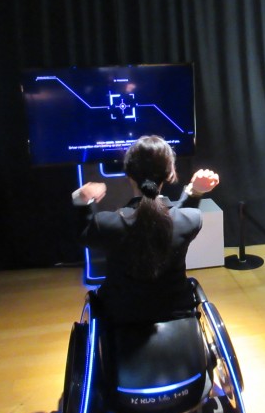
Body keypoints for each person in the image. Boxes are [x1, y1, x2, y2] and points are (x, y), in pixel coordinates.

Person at [74, 135, 219, 324]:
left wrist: (81, 199)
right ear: (170, 174)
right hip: (178, 318)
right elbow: (175, 219)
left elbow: (84, 235)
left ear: (128, 173)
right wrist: (195, 191)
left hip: (119, 319)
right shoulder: (192, 220)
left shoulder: (105, 224)